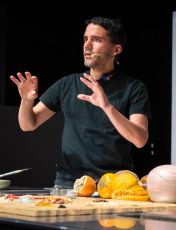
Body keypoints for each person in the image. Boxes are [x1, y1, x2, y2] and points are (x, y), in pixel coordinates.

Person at [9, 17, 151, 188]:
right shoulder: (67, 84)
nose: (87, 45)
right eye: (85, 39)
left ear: (116, 49)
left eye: (97, 40)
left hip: (114, 185)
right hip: (70, 184)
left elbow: (140, 139)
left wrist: (107, 106)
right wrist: (26, 101)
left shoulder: (133, 87)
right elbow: (28, 124)